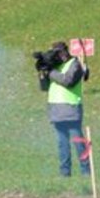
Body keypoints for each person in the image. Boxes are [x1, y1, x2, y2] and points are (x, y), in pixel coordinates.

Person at [38, 41, 90, 177]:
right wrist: (42, 72)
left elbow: (68, 81)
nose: (58, 56)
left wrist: (50, 72)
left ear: (65, 52)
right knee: (62, 144)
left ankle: (86, 171)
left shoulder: (75, 64)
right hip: (56, 110)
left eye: (59, 52)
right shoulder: (55, 67)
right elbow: (44, 87)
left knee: (78, 143)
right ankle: (65, 173)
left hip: (71, 109)